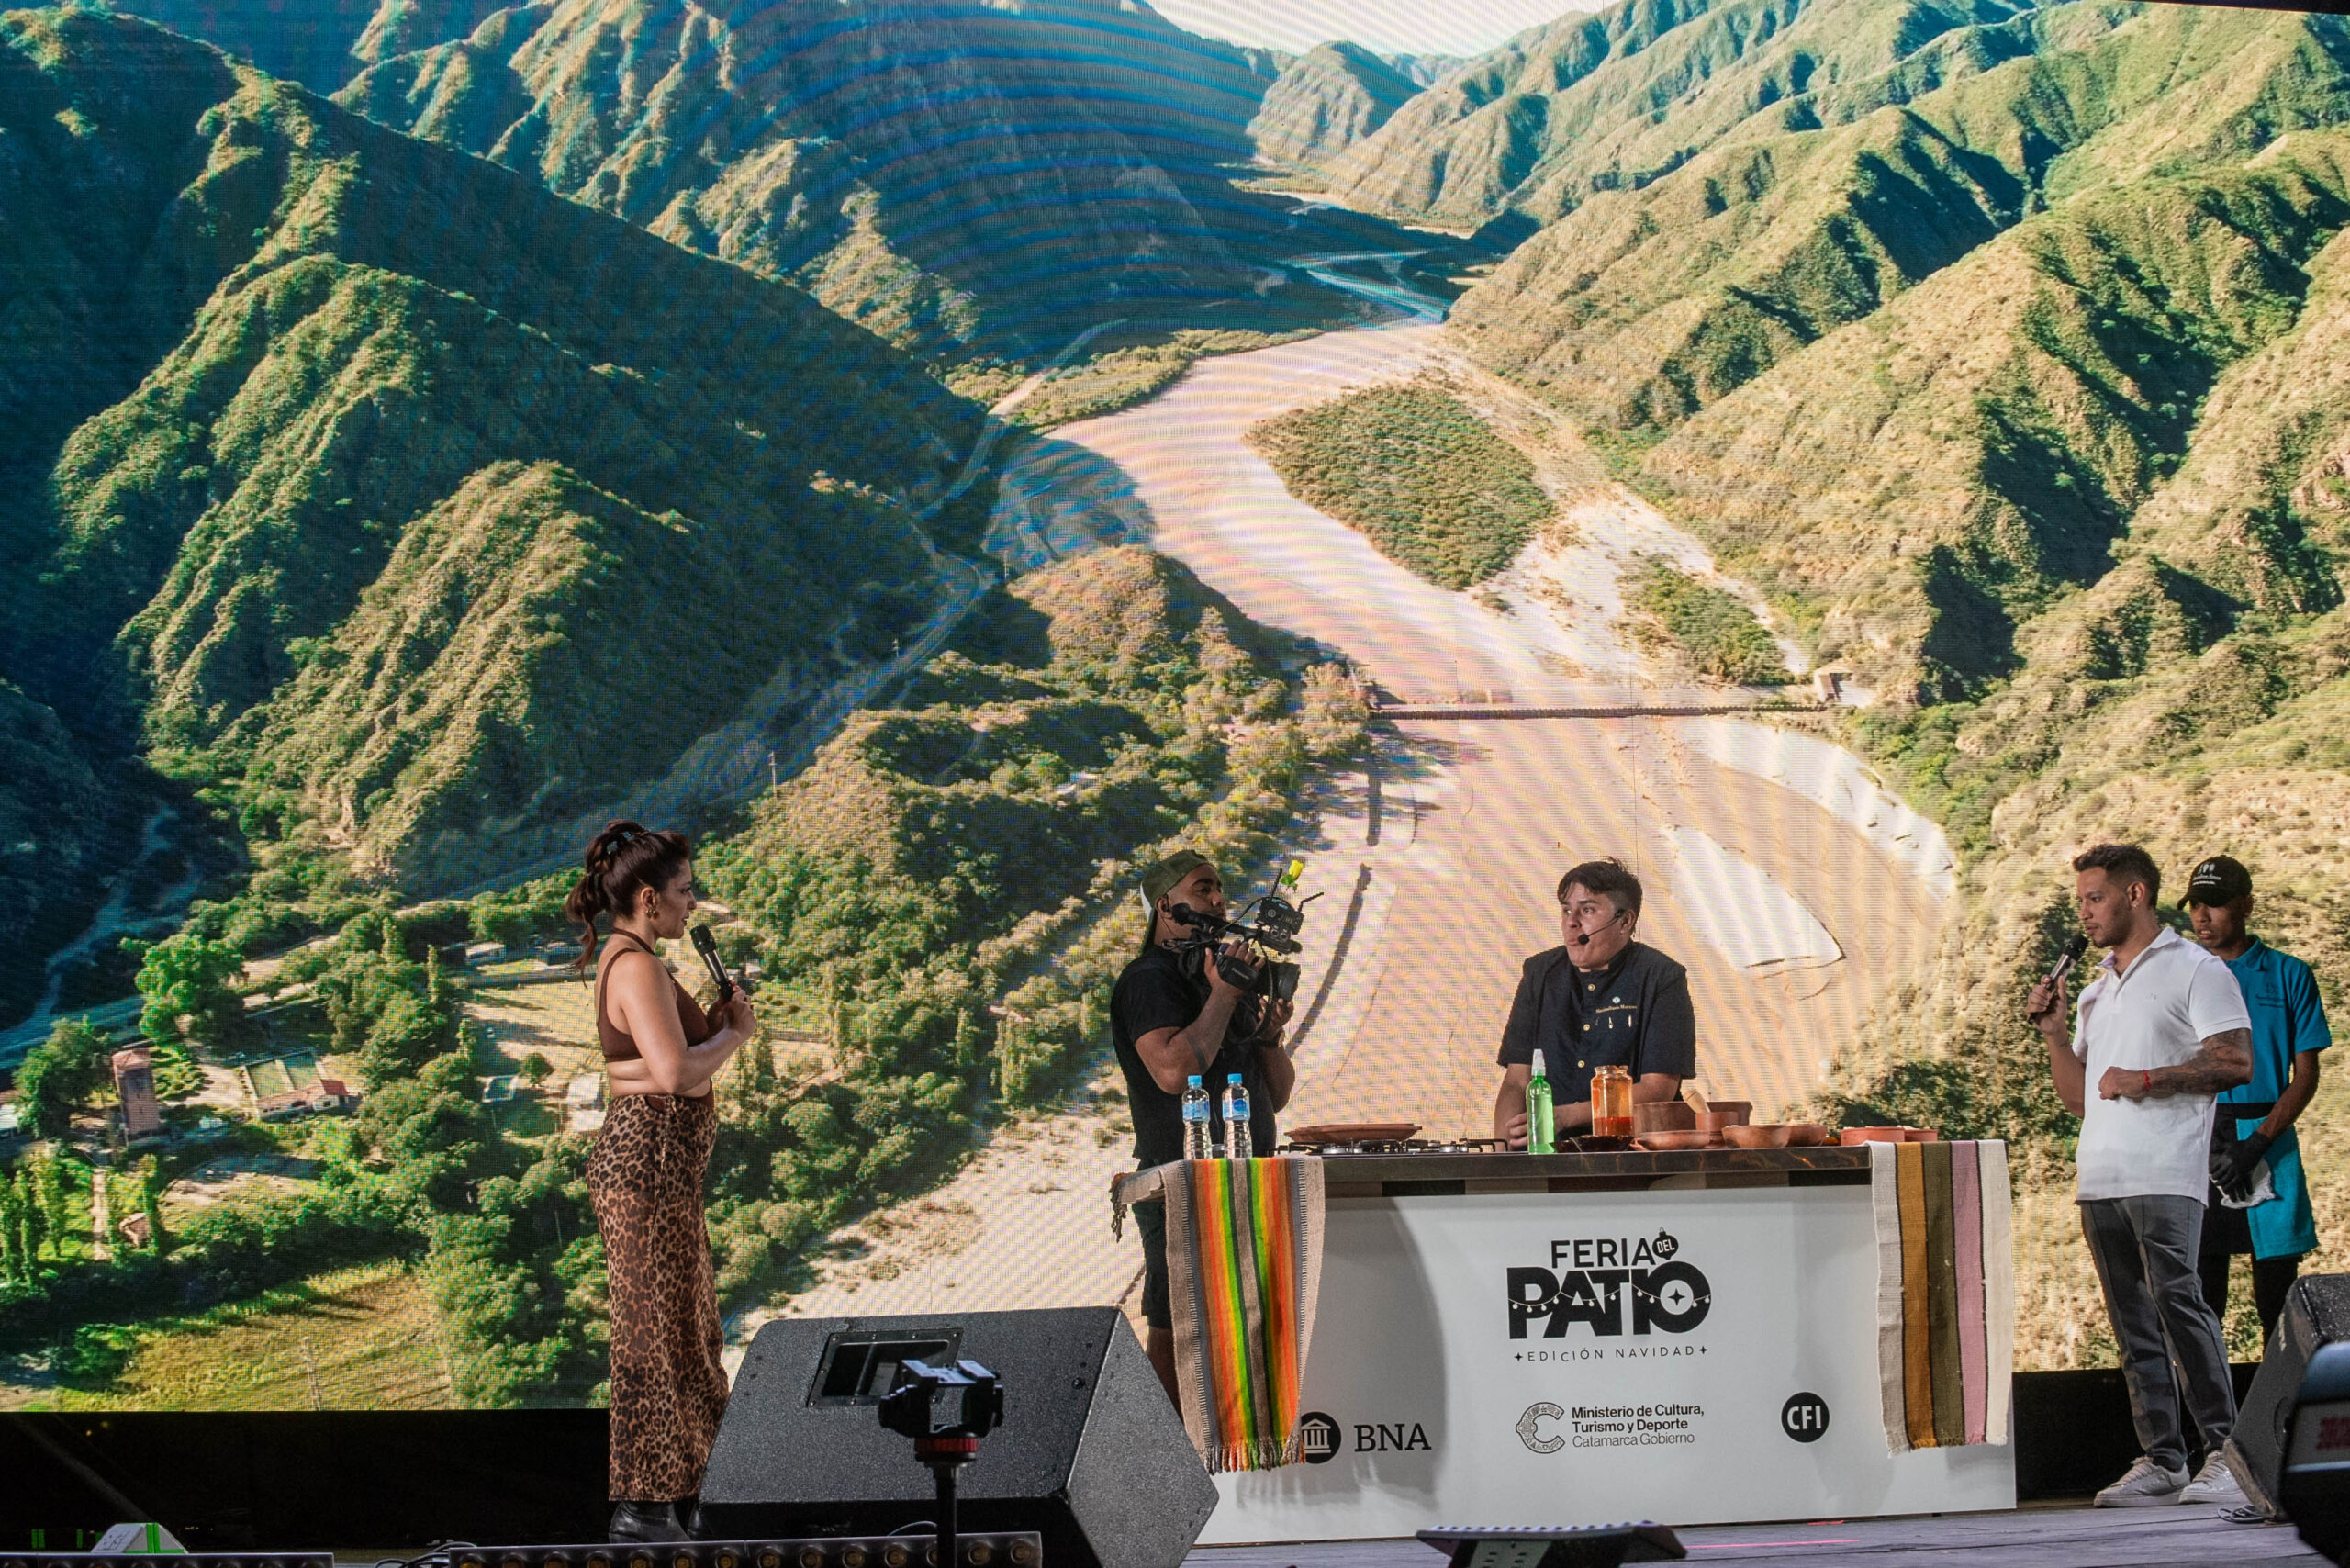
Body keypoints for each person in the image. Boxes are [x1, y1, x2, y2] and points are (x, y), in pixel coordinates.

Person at [2028, 843, 2252, 1509]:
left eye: (2094, 898)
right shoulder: (2094, 990)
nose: (2084, 912)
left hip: (2164, 1168)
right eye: (2080, 901)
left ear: (2136, 894)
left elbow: (2236, 1063)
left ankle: (2228, 1454)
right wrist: (2055, 1034)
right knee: (2131, 1325)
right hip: (2101, 1174)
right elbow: (2080, 1099)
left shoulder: (2196, 969)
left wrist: (2148, 1079)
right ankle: (2163, 1458)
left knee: (2179, 1304)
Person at [565, 820, 758, 1542]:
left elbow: (648, 1067)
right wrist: (733, 1036)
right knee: (656, 1338)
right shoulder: (638, 966)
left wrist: (711, 1026)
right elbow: (675, 1074)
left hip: (661, 1175)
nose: (692, 903)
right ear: (649, 899)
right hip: (645, 1173)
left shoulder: (633, 960)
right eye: (684, 890)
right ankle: (645, 1511)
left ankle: (697, 1494)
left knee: (688, 1332)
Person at [1112, 849, 1296, 1403]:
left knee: (1246, 1323)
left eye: (1219, 890)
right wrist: (1224, 995)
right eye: (1203, 889)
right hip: (1183, 1187)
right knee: (1178, 1324)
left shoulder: (1223, 976)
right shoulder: (1148, 980)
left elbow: (1278, 1094)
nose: (1218, 901)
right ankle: (1165, 1443)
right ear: (1166, 906)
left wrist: (1268, 1034)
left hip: (1247, 1177)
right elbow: (1174, 1072)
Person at [2184, 855, 2330, 1343]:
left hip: (2271, 1136)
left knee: (2277, 1297)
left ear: (2246, 906)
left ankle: (2280, 1392)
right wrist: (2207, 1144)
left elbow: (2305, 1077)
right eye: (2195, 905)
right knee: (2203, 1296)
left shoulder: (2290, 974)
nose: (2203, 917)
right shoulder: (2181, 974)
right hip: (2199, 1138)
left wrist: (2258, 1143)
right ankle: (2206, 1396)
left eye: (2216, 904)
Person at [1493, 857, 1694, 1148]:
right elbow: (1516, 1081)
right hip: (1549, 1150)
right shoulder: (1539, 973)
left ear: (1625, 921)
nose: (1571, 922)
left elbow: (1658, 1089)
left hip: (1630, 1153)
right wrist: (1500, 1151)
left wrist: (1566, 1116)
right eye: (1566, 910)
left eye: (1587, 910)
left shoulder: (1661, 976)